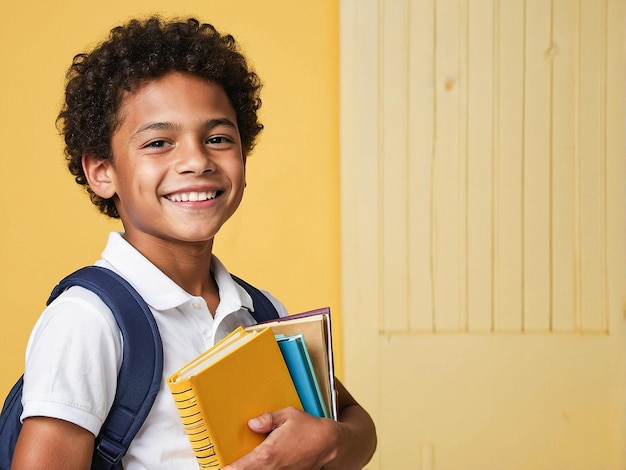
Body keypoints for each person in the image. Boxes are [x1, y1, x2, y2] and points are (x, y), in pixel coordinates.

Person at [11, 16, 376, 470]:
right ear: (102, 171)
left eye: (218, 138)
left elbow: (358, 426)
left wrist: (329, 442)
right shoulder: (88, 320)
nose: (197, 160)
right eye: (160, 142)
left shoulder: (260, 312)